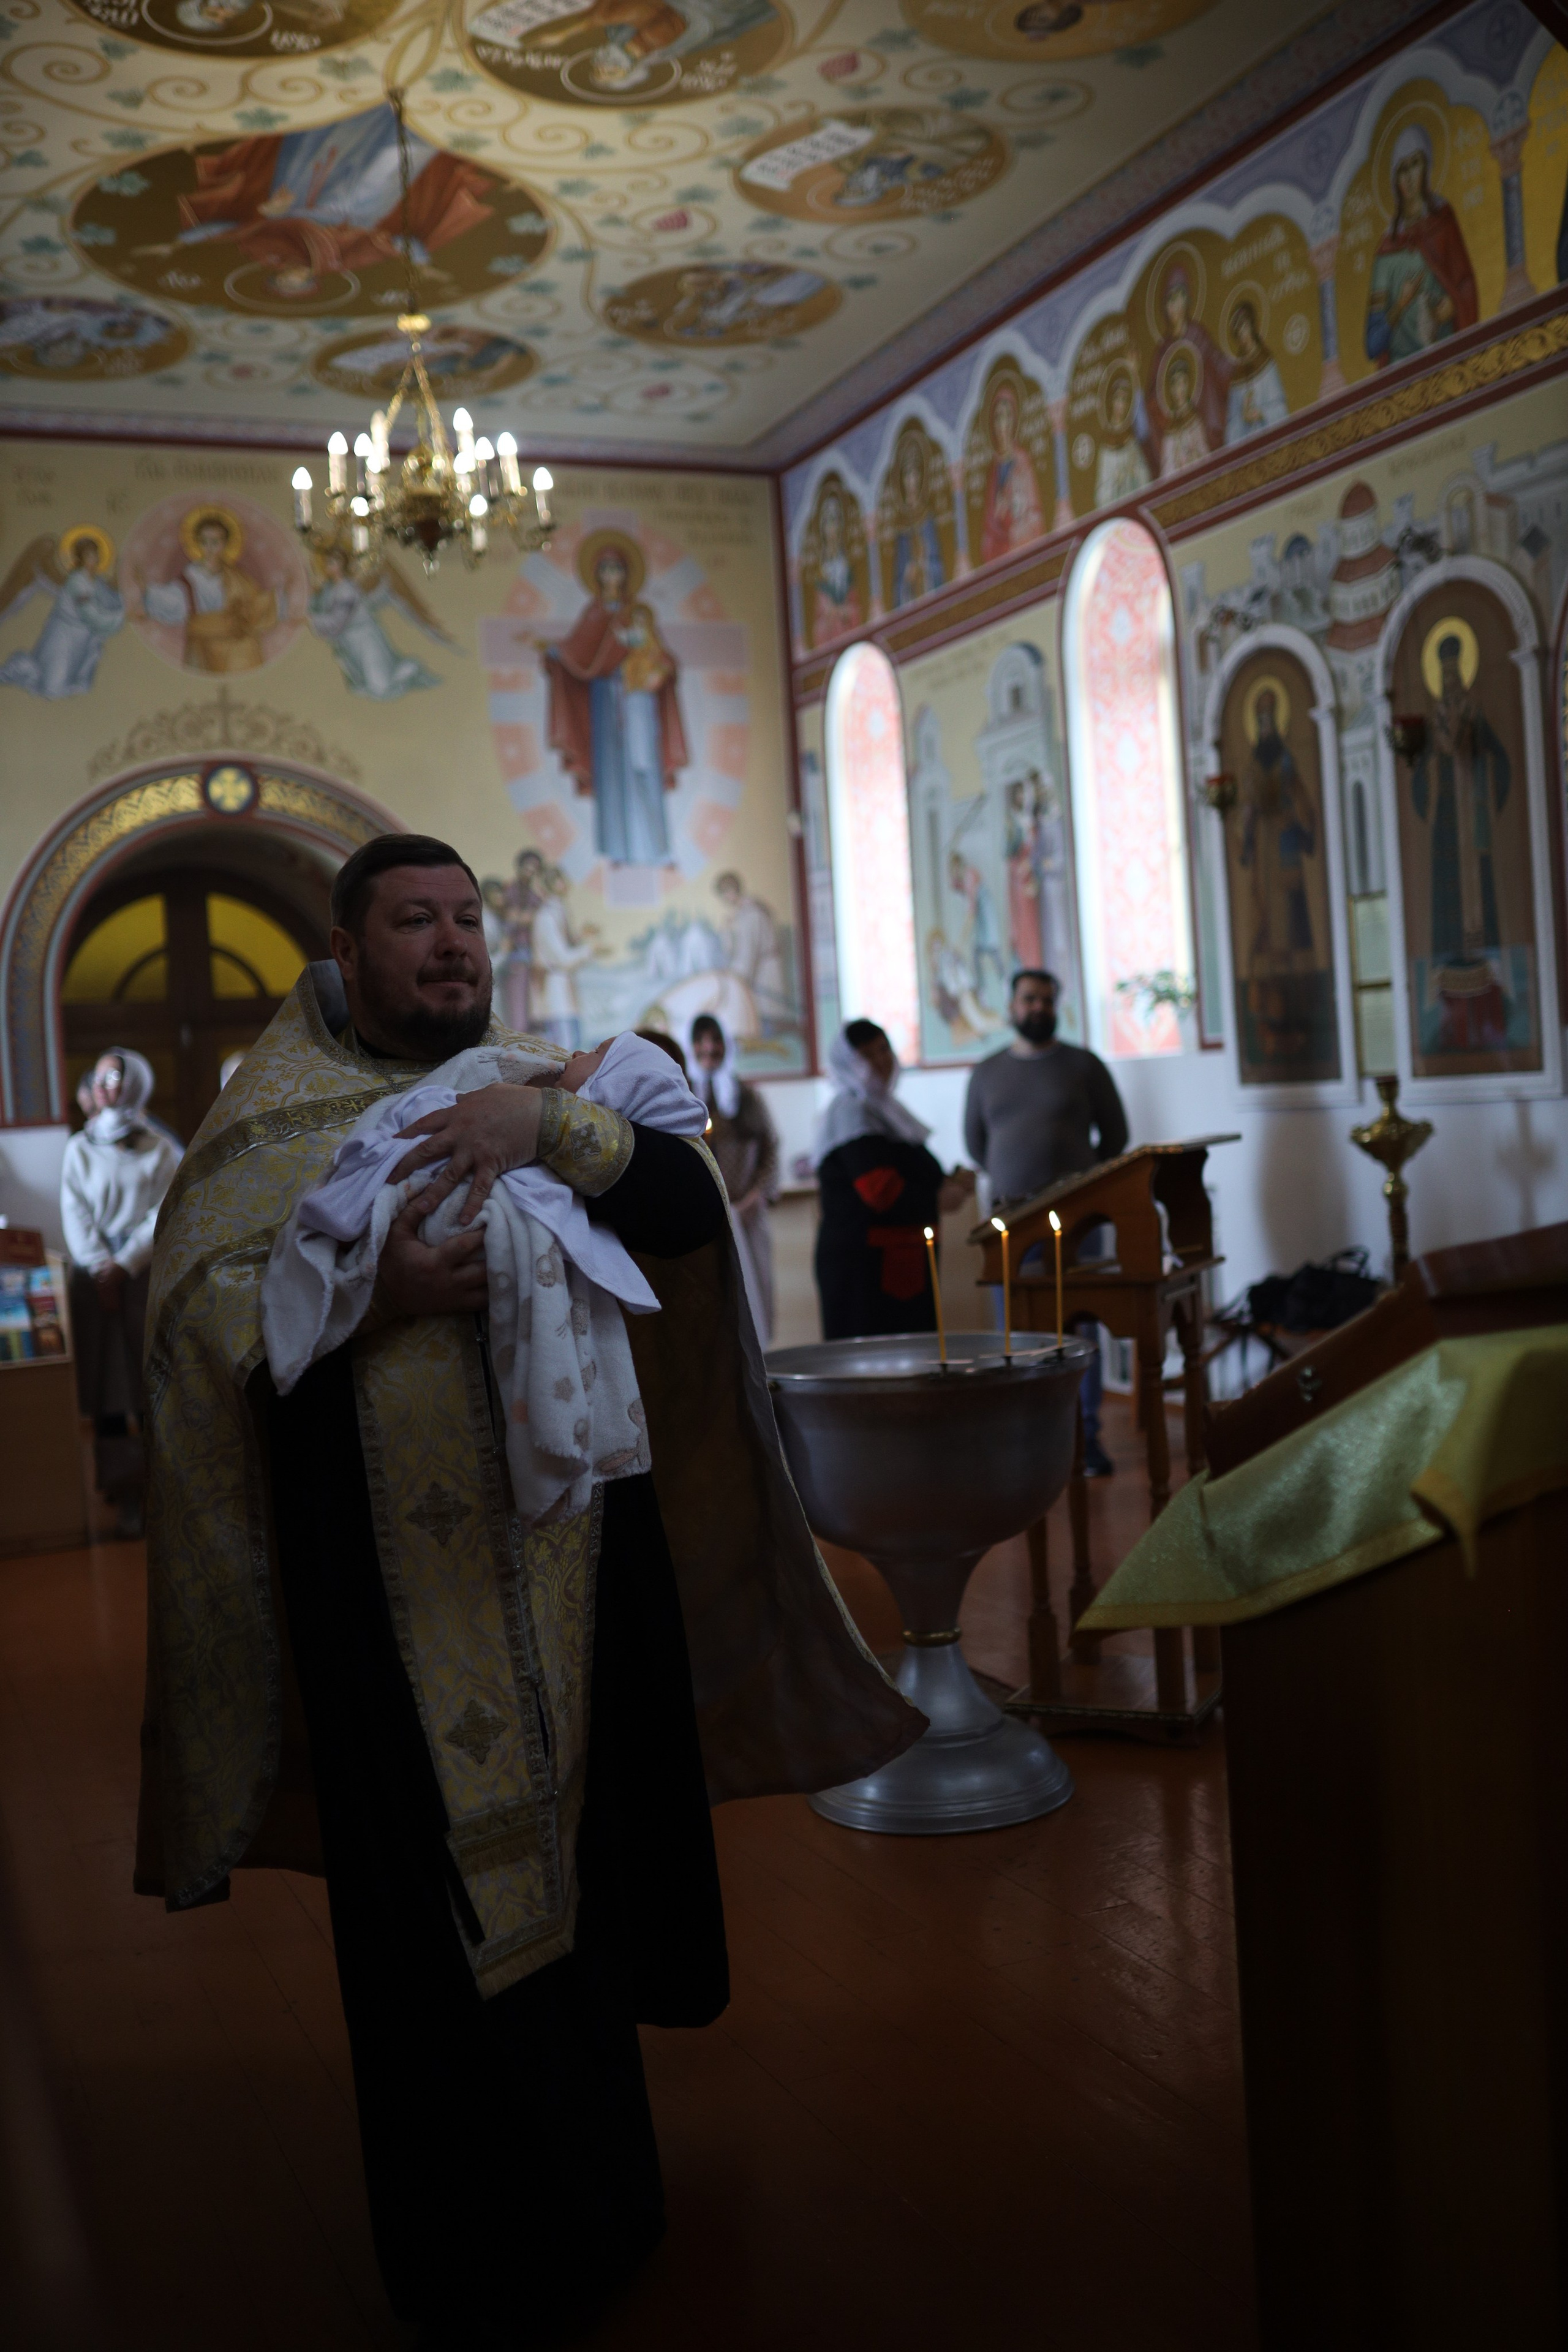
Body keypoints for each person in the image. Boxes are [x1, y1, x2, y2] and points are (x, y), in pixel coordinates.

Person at [137, 833, 918, 2349]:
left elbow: (684, 1207)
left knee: (571, 1902)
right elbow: (198, 1320)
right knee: (423, 1931)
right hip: (383, 1610)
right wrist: (374, 1293)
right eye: (412, 921)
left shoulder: (529, 1076)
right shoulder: (267, 1120)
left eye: (464, 921)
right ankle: (459, 2254)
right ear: (346, 951)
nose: (448, 945)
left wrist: (534, 1127)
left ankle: (607, 2210)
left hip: (569, 1580)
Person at [962, 970, 1128, 1476]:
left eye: (1048, 1000)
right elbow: (975, 1145)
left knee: (1078, 1328)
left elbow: (1116, 1136)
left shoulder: (1084, 1065)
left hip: (1077, 1221)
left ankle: (1086, 1438)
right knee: (1012, 1331)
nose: (1039, 1008)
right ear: (1011, 1006)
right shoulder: (987, 1071)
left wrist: (1076, 1183)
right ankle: (1023, 1439)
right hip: (1010, 1223)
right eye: (1030, 999)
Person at [59, 1049, 182, 1537]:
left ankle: (162, 1490)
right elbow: (75, 1210)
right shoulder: (79, 1147)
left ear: (137, 1083)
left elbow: (163, 1212)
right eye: (103, 1073)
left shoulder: (160, 1147)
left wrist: (125, 1264)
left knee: (149, 1385)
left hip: (142, 1280)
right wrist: (98, 1267)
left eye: (118, 1074)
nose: (107, 1082)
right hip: (96, 1288)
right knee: (109, 1393)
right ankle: (124, 1490)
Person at [812, 1020, 973, 1341]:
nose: (881, 1060)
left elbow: (907, 1170)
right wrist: (937, 1198)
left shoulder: (882, 1107)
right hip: (865, 1271)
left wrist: (949, 1181)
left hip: (897, 1264)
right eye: (867, 1055)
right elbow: (879, 1189)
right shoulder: (851, 1111)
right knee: (874, 1371)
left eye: (884, 1049)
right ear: (848, 1064)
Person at [690, 1012, 779, 1344]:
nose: (709, 1048)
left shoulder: (748, 1097)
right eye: (701, 1040)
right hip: (702, 1218)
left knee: (758, 1291)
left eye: (715, 1039)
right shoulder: (683, 1095)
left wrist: (756, 1196)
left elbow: (770, 1148)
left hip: (749, 1211)